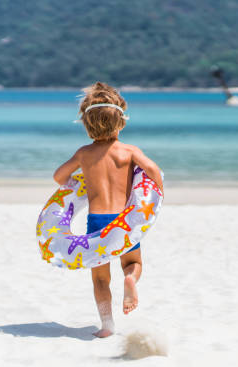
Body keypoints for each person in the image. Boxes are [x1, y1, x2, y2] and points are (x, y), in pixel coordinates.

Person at [52, 82, 163, 338]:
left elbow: (59, 176)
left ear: (87, 125)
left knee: (100, 278)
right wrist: (156, 195)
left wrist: (75, 183)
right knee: (132, 262)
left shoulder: (84, 153)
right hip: (124, 220)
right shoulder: (129, 151)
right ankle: (130, 281)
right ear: (121, 122)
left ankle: (107, 325)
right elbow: (154, 171)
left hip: (96, 220)